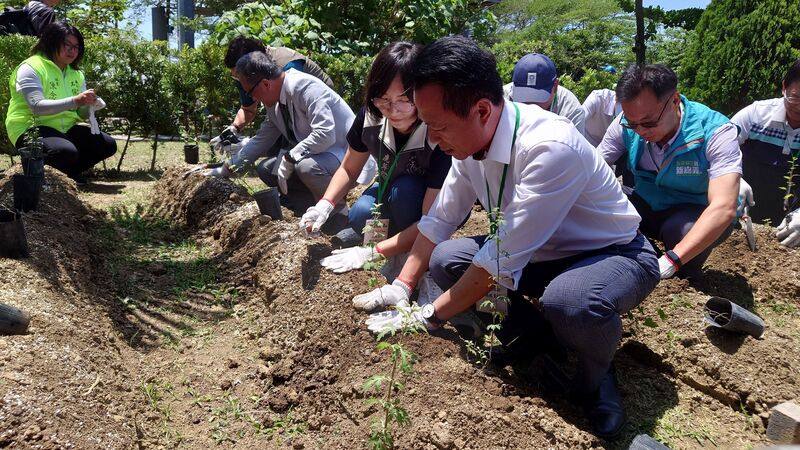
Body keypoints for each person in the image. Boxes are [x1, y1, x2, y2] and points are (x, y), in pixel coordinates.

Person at [355, 35, 659, 438]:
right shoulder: (467, 144)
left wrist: (426, 316)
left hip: (611, 253)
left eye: (439, 127)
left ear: (482, 109)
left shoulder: (550, 147)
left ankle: (596, 375)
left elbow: (496, 261)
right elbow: (439, 220)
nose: (434, 139)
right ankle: (536, 337)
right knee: (448, 259)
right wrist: (403, 285)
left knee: (571, 302)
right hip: (538, 255)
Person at [300, 41, 451, 267]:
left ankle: (410, 253)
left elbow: (431, 220)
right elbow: (349, 169)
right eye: (383, 100)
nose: (393, 110)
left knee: (405, 192)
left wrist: (374, 253)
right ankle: (393, 241)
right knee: (360, 214)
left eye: (403, 100)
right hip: (388, 185)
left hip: (430, 201)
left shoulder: (437, 130)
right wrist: (325, 204)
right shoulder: (371, 117)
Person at [597, 64, 741, 279]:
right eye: (632, 124)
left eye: (649, 123)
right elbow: (593, 168)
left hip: (692, 210)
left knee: (682, 236)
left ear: (674, 101)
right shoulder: (624, 124)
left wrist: (672, 260)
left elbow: (723, 206)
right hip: (645, 203)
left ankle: (680, 265)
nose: (641, 131)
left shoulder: (716, 131)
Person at [208, 51, 354, 219]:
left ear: (265, 84)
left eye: (250, 92)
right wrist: (228, 168)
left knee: (306, 167)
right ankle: (306, 206)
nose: (252, 98)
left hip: (345, 155)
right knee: (267, 169)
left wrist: (291, 157)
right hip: (318, 154)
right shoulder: (275, 101)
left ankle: (338, 214)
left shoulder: (305, 87)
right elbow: (262, 139)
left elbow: (325, 134)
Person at [5, 21, 115, 184]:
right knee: (63, 151)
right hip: (30, 128)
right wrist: (75, 100)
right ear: (51, 42)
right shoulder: (31, 67)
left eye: (76, 47)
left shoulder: (76, 74)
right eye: (67, 45)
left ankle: (68, 175)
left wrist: (89, 105)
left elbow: (79, 113)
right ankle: (37, 175)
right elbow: (36, 108)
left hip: (64, 129)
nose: (72, 51)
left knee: (107, 144)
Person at [209, 36, 335, 155]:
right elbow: (248, 108)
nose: (239, 78)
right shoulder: (248, 75)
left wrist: (249, 146)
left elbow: (288, 110)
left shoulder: (285, 65)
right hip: (293, 113)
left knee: (288, 155)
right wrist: (234, 128)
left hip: (319, 109)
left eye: (238, 73)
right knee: (273, 155)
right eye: (235, 76)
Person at [731, 58, 800, 247]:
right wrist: (733, 180)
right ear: (784, 87)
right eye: (796, 98)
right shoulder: (755, 115)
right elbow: (718, 149)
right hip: (744, 209)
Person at [503, 53, 586, 136]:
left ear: (555, 86)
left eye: (537, 97)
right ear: (513, 86)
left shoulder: (571, 111)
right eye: (524, 96)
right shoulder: (501, 99)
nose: (531, 106)